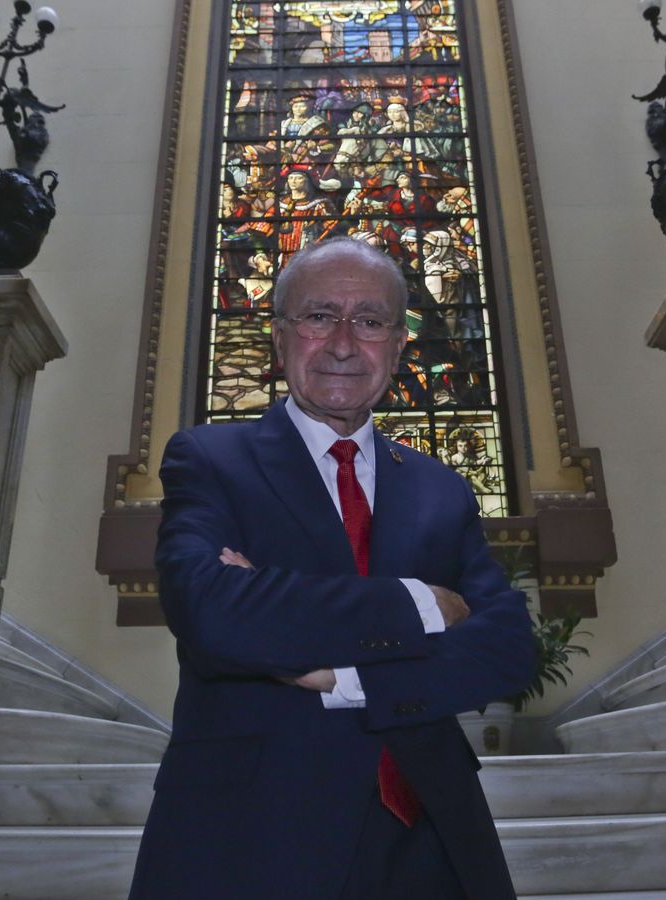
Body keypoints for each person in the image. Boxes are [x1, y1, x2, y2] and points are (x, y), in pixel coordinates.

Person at [128, 238, 532, 900]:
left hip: (432, 832)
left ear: (398, 347)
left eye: (370, 321)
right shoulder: (210, 459)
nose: (344, 343)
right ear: (280, 338)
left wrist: (344, 678)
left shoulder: (440, 488)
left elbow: (507, 650)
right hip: (252, 830)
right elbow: (212, 613)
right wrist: (424, 606)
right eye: (319, 316)